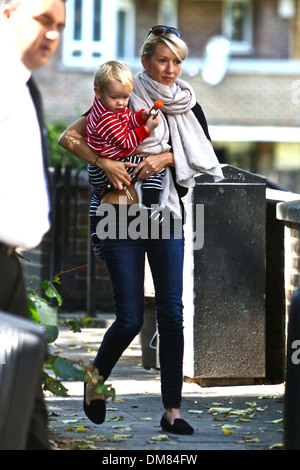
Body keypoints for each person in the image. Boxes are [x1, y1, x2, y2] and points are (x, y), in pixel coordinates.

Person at [59, 25, 223, 434]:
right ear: (146, 60)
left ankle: (173, 411)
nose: (171, 69)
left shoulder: (189, 104)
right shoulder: (123, 95)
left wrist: (165, 157)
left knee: (171, 312)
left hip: (166, 214)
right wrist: (106, 163)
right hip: (121, 215)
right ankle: (94, 378)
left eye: (178, 61)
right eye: (163, 60)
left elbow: (201, 155)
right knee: (131, 318)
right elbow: (71, 137)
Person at [0, 0, 66, 449]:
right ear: (8, 13)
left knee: (26, 414)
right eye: (44, 20)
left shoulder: (26, 87)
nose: (53, 35)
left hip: (9, 268)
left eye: (60, 26)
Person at [86, 60, 164, 225]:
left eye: (125, 97)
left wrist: (142, 116)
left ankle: (94, 229)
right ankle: (151, 208)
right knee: (154, 169)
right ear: (98, 92)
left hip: (97, 167)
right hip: (114, 162)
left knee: (97, 196)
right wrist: (147, 128)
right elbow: (127, 142)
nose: (121, 103)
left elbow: (127, 119)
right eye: (115, 97)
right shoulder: (106, 118)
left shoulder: (106, 107)